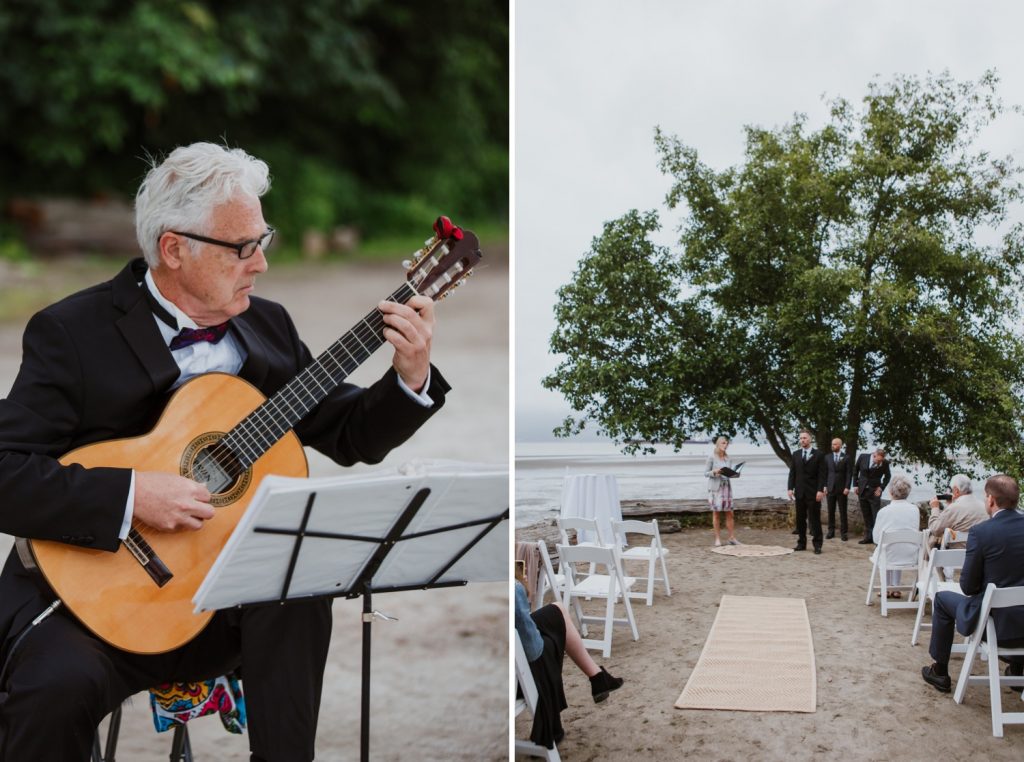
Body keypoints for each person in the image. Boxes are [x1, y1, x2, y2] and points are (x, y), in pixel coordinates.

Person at [0, 143, 450, 761]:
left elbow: (349, 434)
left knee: (299, 586)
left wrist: (410, 376)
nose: (261, 263)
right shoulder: (71, 333)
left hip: (219, 601)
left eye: (263, 239)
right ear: (174, 249)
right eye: (243, 247)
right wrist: (131, 496)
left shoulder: (266, 327)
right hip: (94, 602)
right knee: (52, 690)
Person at [922, 474, 1024, 693]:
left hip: (995, 626)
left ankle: (939, 671)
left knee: (941, 599)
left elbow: (968, 587)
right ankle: (1017, 669)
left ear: (990, 500)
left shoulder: (982, 532)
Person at [514, 578, 623, 749]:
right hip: (516, 679)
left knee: (557, 609)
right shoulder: (511, 588)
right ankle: (597, 677)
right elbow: (532, 651)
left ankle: (598, 676)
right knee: (551, 635)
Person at [869, 474, 920, 598]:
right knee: (898, 546)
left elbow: (876, 538)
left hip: (889, 554)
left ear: (891, 492)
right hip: (911, 555)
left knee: (886, 548)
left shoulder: (884, 511)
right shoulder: (915, 510)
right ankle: (896, 587)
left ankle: (885, 588)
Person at [787, 430, 826, 554]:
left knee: (815, 520)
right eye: (801, 438)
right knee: (800, 520)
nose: (802, 440)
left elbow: (822, 475)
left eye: (804, 438)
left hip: (814, 493)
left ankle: (817, 545)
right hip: (799, 492)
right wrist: (789, 488)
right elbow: (792, 473)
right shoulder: (796, 454)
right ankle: (801, 543)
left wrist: (820, 490)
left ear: (810, 439)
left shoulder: (819, 455)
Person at [926, 474, 987, 549]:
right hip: (979, 555)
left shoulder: (954, 508)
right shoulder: (984, 506)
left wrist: (935, 508)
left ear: (956, 490)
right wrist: (951, 505)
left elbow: (935, 530)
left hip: (955, 556)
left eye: (952, 490)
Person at [704, 435, 739, 547]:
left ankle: (732, 538)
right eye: (723, 443)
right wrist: (715, 472)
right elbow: (705, 473)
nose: (726, 445)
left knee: (730, 513)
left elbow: (728, 473)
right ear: (718, 444)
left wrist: (735, 474)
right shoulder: (711, 457)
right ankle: (717, 539)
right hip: (716, 488)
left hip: (727, 488)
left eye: (727, 443)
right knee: (716, 514)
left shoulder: (728, 458)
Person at [853, 446, 892, 545]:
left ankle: (876, 539)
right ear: (874, 455)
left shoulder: (885, 463)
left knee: (876, 516)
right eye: (877, 461)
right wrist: (855, 485)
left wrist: (881, 488)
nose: (879, 463)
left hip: (875, 492)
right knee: (866, 515)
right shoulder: (863, 457)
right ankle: (868, 537)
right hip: (862, 490)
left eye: (880, 461)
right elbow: (855, 470)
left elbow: (888, 476)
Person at [824, 437, 852, 541]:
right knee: (830, 511)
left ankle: (844, 533)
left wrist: (847, 487)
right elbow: (825, 473)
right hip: (830, 488)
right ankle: (831, 531)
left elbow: (849, 474)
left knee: (843, 511)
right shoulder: (827, 457)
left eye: (835, 444)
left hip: (842, 489)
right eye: (832, 444)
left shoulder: (847, 458)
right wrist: (825, 486)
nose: (833, 446)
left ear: (840, 445)